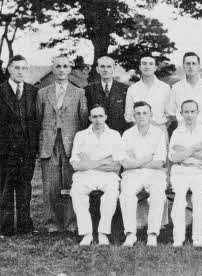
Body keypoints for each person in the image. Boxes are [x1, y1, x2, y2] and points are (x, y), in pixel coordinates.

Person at [37, 55, 88, 233]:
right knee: (50, 186)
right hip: (49, 144)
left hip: (70, 144)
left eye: (65, 66)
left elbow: (83, 120)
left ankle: (70, 222)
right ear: (53, 69)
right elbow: (38, 119)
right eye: (58, 66)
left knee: (69, 184)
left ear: (69, 69)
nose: (61, 69)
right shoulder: (43, 93)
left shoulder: (79, 92)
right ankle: (51, 223)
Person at [70, 105, 123, 246]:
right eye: (94, 116)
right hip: (85, 174)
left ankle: (103, 233)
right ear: (90, 118)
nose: (98, 120)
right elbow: (76, 165)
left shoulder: (114, 135)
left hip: (108, 175)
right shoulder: (80, 135)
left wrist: (89, 162)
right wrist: (104, 161)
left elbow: (116, 165)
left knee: (111, 193)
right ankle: (86, 233)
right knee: (77, 191)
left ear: (106, 117)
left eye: (101, 116)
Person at [0, 55, 39, 236]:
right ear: (9, 69)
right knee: (5, 189)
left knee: (25, 188)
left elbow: (35, 121)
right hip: (5, 150)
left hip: (26, 150)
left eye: (23, 68)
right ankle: (5, 228)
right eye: (16, 68)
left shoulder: (33, 91)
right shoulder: (1, 90)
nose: (20, 71)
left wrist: (33, 148)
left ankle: (25, 227)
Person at [120, 101, 167, 247]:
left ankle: (152, 234)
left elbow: (159, 162)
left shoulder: (159, 133)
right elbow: (125, 163)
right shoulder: (127, 134)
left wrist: (136, 161)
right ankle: (130, 234)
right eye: (138, 113)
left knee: (158, 194)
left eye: (145, 113)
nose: (141, 116)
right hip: (132, 173)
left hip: (154, 173)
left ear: (151, 115)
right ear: (133, 116)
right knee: (126, 195)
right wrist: (147, 158)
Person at [169, 100, 202, 247]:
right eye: (186, 112)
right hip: (180, 170)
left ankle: (197, 238)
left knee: (198, 197)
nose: (189, 115)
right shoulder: (177, 132)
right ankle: (178, 238)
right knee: (179, 198)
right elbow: (174, 157)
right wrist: (194, 148)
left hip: (199, 171)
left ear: (197, 113)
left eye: (192, 111)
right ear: (181, 114)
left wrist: (184, 150)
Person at [124, 55, 171, 134]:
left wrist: (159, 126)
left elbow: (169, 114)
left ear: (155, 68)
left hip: (159, 130)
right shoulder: (132, 89)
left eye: (151, 64)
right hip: (138, 131)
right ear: (140, 67)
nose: (147, 66)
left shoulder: (165, 88)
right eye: (144, 63)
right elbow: (128, 115)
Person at [84, 56, 130, 134]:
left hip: (118, 134)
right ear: (97, 69)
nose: (105, 70)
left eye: (109, 67)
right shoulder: (88, 89)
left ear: (113, 68)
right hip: (96, 134)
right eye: (102, 67)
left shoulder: (125, 89)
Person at [168, 52, 202, 128]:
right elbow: (172, 112)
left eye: (194, 63)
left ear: (199, 66)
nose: (191, 66)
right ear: (183, 66)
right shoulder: (176, 87)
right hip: (182, 129)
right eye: (188, 63)